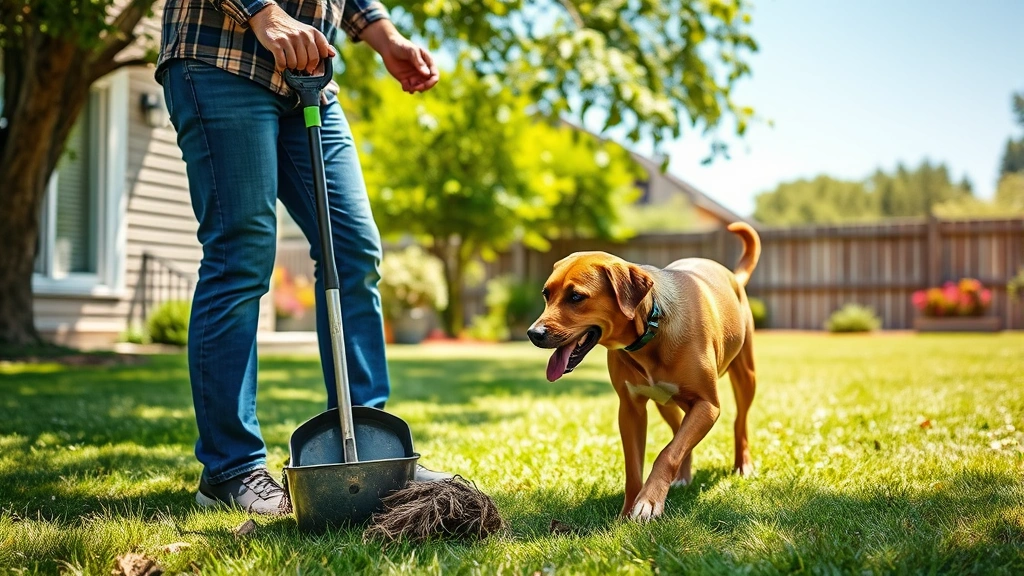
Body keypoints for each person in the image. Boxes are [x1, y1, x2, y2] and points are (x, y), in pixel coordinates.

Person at [156, 0, 448, 515]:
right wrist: (262, 13)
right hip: (220, 55)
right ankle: (230, 470)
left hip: (308, 79)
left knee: (353, 249)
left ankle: (368, 449)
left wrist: (386, 39)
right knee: (241, 254)